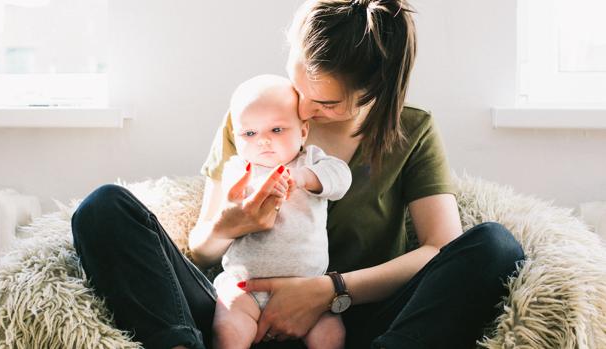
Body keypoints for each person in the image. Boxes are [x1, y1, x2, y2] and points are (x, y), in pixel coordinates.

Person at [71, 0, 525, 348]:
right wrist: (231, 226)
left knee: (495, 247)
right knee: (102, 209)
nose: (304, 110)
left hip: (351, 321)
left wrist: (329, 292)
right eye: (299, 84)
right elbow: (202, 253)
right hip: (237, 313)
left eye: (326, 103)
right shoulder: (258, 117)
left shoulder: (412, 131)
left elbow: (439, 249)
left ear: (375, 93)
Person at [211, 74, 350, 349]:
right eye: (249, 133)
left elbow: (341, 178)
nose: (262, 141)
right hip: (245, 288)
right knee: (227, 331)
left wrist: (304, 178)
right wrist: (247, 195)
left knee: (332, 335)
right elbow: (230, 203)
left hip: (307, 291)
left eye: (276, 130)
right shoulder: (239, 169)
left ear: (303, 132)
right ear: (235, 137)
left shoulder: (311, 161)